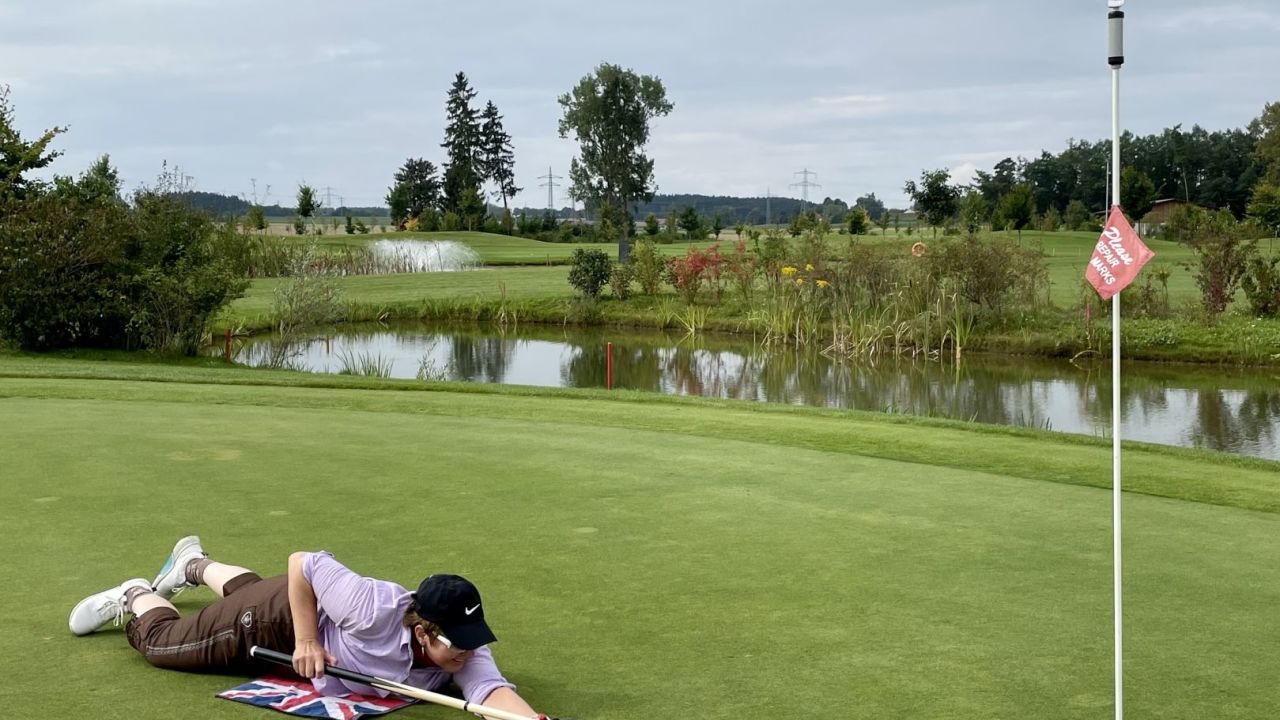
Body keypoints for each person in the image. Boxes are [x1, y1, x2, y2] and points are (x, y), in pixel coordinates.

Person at [68, 536, 546, 719]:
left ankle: (192, 563)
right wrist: (307, 641)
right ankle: (133, 593)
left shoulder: (467, 646)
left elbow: (489, 692)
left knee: (249, 590)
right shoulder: (370, 607)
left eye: (472, 640)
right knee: (167, 646)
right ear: (423, 631)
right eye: (456, 645)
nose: (467, 653)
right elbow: (303, 564)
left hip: (295, 607)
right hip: (275, 622)